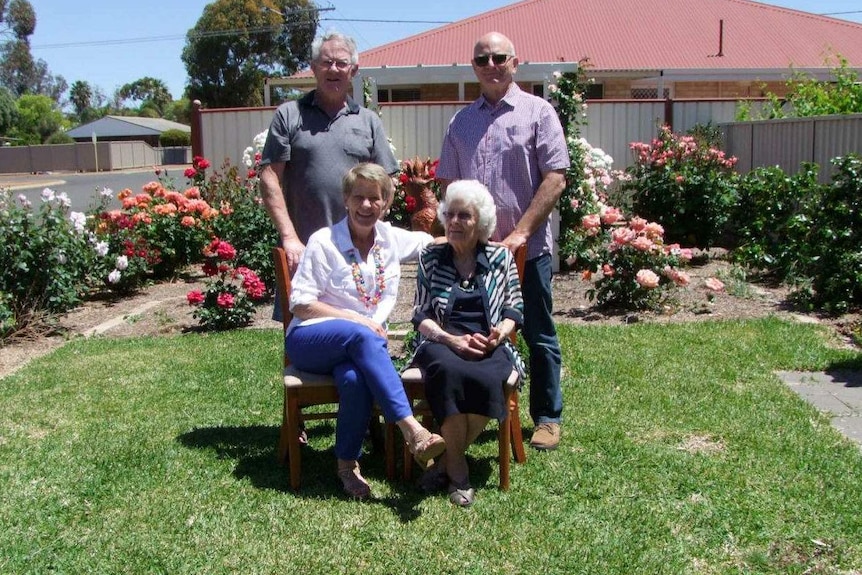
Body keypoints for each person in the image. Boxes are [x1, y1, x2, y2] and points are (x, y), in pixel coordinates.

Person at [436, 31, 570, 452]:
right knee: (472, 330)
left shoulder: (538, 112)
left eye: (499, 57)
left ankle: (547, 417)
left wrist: (520, 234)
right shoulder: (461, 122)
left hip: (527, 251)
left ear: (515, 62)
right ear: (473, 67)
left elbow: (555, 178)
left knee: (538, 332)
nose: (491, 65)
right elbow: (447, 184)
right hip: (473, 257)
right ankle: (474, 410)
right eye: (482, 59)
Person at [285, 163, 445, 500]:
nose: (366, 205)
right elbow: (299, 303)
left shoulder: (390, 238)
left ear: (386, 203)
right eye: (359, 197)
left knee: (355, 380)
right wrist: (355, 320)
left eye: (375, 198)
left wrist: (480, 241)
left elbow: (431, 243)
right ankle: (412, 431)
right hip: (311, 339)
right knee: (363, 335)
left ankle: (346, 465)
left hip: (361, 349)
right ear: (346, 199)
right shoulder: (324, 241)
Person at [410, 180, 525, 507]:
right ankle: (458, 471)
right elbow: (420, 314)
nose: (456, 222)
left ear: (481, 223)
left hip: (488, 340)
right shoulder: (431, 256)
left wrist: (498, 335)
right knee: (448, 370)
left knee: (490, 376)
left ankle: (445, 461)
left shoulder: (500, 257)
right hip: (441, 339)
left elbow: (514, 309)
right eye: (451, 215)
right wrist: (450, 339)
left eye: (465, 216)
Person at [259, 31, 398, 276]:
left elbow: (389, 182)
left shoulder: (369, 121)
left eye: (342, 63)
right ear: (314, 68)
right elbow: (269, 177)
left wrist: (369, 229)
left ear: (353, 70)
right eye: (326, 62)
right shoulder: (289, 115)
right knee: (306, 314)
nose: (334, 69)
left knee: (362, 314)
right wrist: (289, 237)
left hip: (359, 254)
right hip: (304, 251)